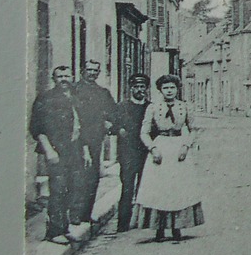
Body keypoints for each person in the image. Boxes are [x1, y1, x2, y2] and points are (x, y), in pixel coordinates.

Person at [133, 74, 204, 243]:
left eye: (172, 87)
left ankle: (177, 228)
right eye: (165, 88)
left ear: (177, 89)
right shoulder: (153, 108)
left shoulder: (185, 107)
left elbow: (194, 129)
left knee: (178, 187)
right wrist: (153, 148)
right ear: (160, 90)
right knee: (160, 188)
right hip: (161, 147)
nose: (169, 91)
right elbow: (144, 132)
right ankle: (159, 229)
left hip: (178, 147)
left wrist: (186, 146)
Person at [30, 64, 81, 245]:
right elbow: (37, 128)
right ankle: (53, 231)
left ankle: (64, 227)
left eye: (67, 76)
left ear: (72, 77)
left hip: (73, 151)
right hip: (56, 151)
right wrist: (49, 150)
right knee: (58, 190)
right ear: (54, 79)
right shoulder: (46, 99)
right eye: (60, 77)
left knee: (71, 189)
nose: (64, 80)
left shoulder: (75, 98)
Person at [70, 58, 116, 230]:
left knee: (92, 177)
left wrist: (109, 123)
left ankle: (86, 214)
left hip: (95, 139)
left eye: (95, 71)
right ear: (82, 70)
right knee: (77, 175)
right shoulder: (73, 90)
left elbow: (113, 113)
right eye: (89, 70)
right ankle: (74, 214)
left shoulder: (102, 92)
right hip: (75, 139)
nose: (92, 73)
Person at [114, 73, 151, 232]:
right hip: (128, 153)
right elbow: (112, 124)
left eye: (142, 87)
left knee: (146, 187)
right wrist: (119, 130)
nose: (139, 90)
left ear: (146, 89)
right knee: (127, 187)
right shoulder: (122, 107)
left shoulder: (151, 107)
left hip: (145, 152)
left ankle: (145, 222)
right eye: (136, 87)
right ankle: (123, 223)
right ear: (131, 88)